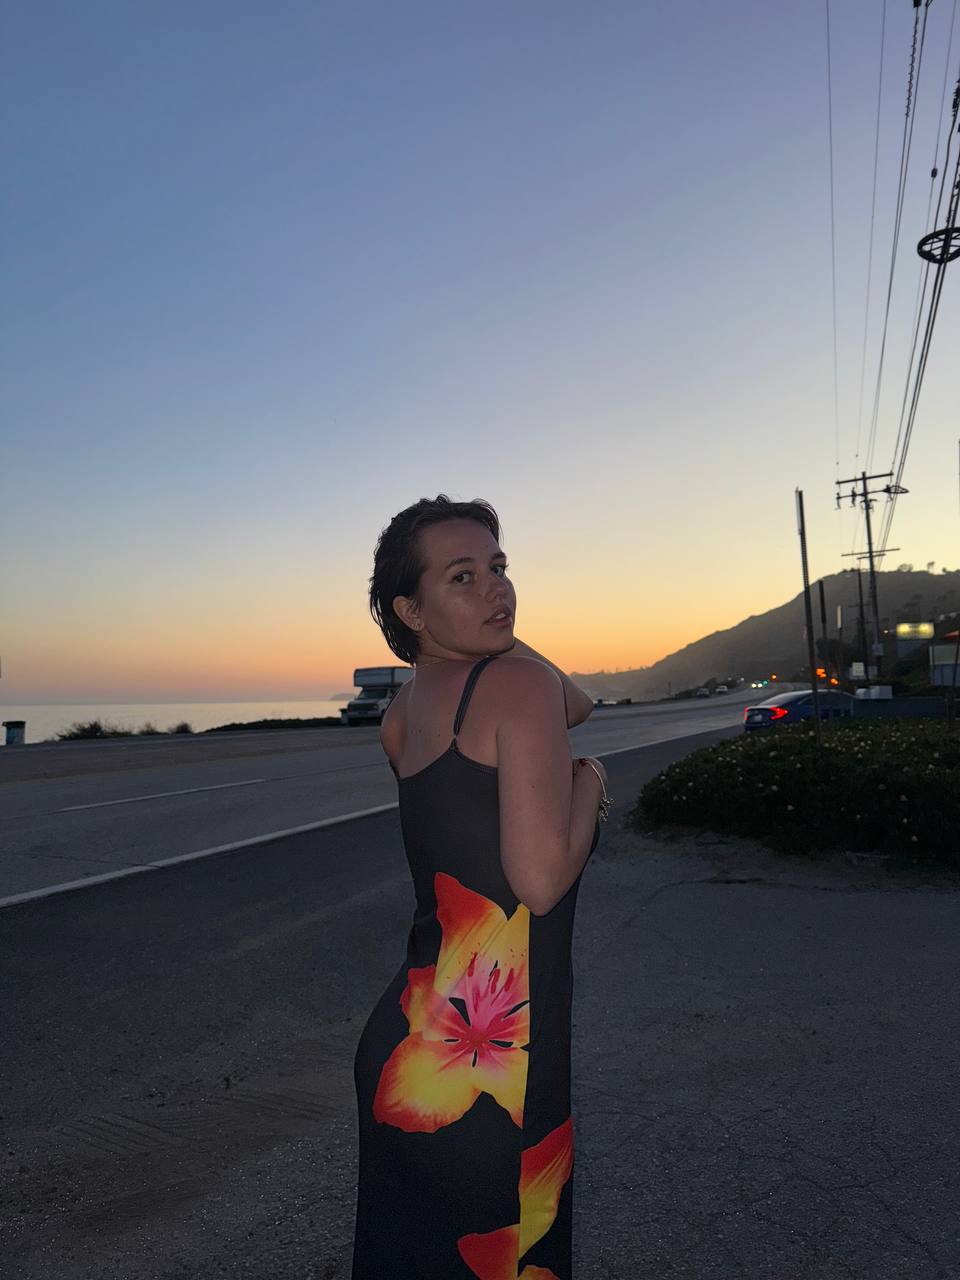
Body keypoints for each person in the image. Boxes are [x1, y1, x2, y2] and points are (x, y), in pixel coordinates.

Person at [351, 494, 611, 1279]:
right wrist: (592, 786)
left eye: (499, 568)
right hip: (498, 1072)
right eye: (461, 576)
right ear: (411, 610)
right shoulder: (519, 686)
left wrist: (483, 618)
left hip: (409, 1057)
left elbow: (578, 703)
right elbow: (540, 880)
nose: (497, 587)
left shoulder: (401, 714)